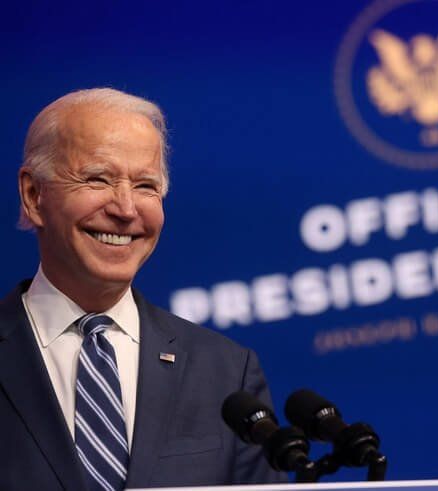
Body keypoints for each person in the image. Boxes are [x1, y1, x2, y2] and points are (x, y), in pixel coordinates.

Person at [0, 88, 285, 490]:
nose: (126, 209)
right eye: (97, 179)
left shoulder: (225, 372)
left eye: (146, 186)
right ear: (33, 195)